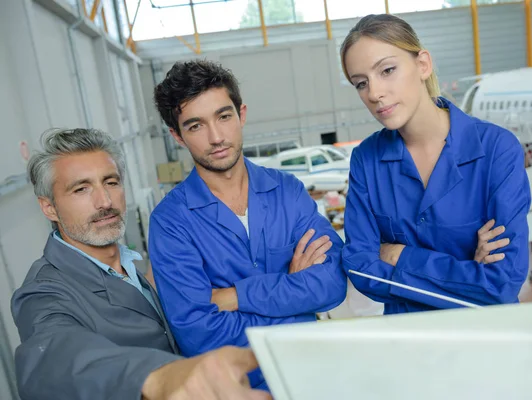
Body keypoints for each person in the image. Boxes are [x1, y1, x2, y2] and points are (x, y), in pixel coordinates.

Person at [11, 128, 270, 400]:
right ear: (49, 207)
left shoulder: (129, 265)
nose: (105, 202)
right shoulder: (44, 292)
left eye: (111, 182)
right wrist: (159, 378)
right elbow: (54, 356)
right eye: (81, 189)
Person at [150, 60, 347, 389]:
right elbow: (200, 336)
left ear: (241, 115)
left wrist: (235, 296)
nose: (216, 137)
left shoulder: (288, 191)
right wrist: (294, 295)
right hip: (238, 391)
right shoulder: (170, 223)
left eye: (223, 116)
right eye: (196, 125)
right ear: (177, 135)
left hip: (313, 380)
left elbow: (331, 285)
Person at [340, 14, 531, 314]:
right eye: (361, 83)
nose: (374, 93)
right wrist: (468, 273)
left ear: (422, 65)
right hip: (409, 341)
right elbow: (361, 270)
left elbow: (502, 283)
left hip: (485, 337)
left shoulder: (497, 150)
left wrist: (399, 257)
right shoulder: (366, 159)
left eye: (387, 70)